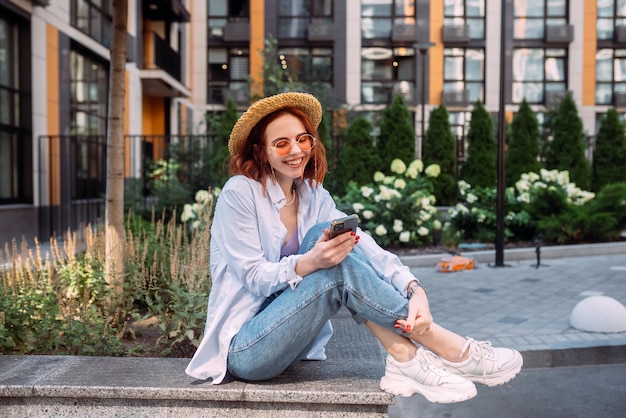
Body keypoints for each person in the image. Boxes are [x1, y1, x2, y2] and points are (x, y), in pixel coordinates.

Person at [185, 92, 522, 403]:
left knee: (336, 239)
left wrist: (413, 288)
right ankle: (452, 349)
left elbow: (366, 248)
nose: (296, 150)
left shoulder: (314, 195)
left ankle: (404, 357)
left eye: (303, 139)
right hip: (247, 348)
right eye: (282, 143)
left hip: (293, 336)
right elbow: (253, 276)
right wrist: (309, 261)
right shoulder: (239, 193)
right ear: (262, 151)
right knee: (332, 264)